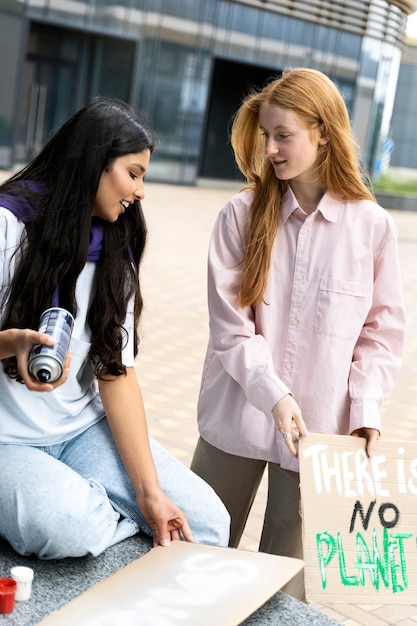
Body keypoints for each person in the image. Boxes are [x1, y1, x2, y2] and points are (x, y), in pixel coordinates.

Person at [190, 68, 405, 600]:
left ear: (324, 133)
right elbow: (231, 332)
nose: (271, 148)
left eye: (283, 135)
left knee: (287, 591)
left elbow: (381, 336)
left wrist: (365, 414)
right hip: (234, 417)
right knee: (193, 561)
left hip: (319, 435)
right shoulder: (239, 215)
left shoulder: (372, 227)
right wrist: (276, 397)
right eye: (266, 135)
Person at [0, 95, 230, 560]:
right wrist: (11, 342)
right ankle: (55, 511)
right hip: (6, 440)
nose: (141, 191)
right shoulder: (8, 225)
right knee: (68, 527)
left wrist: (149, 494)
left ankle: (68, 506)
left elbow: (115, 371)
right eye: (134, 173)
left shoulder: (115, 246)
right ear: (93, 166)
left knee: (206, 521)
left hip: (80, 432)